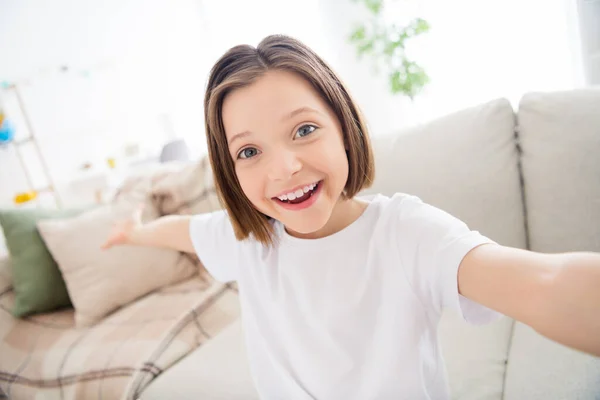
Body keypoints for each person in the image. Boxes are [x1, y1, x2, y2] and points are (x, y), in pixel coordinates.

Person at [103, 35, 600, 399]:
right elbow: (186, 232)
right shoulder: (248, 239)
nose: (284, 168)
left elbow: (545, 282)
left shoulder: (406, 233)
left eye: (303, 130)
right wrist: (137, 232)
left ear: (344, 126)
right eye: (249, 150)